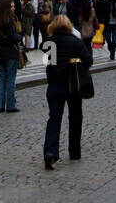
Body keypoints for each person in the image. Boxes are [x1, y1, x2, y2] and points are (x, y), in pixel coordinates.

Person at [40, 15, 93, 168]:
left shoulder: (50, 42)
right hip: (73, 86)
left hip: (54, 86)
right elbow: (88, 61)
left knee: (54, 119)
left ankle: (50, 152)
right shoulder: (75, 42)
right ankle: (74, 152)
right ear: (69, 26)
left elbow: (47, 63)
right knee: (75, 117)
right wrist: (75, 61)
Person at [0, 0, 22, 113]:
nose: (14, 8)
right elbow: (12, 37)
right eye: (12, 7)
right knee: (10, 80)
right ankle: (10, 105)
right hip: (11, 53)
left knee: (2, 79)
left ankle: (0, 104)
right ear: (6, 8)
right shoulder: (9, 21)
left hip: (0, 53)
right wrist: (19, 36)